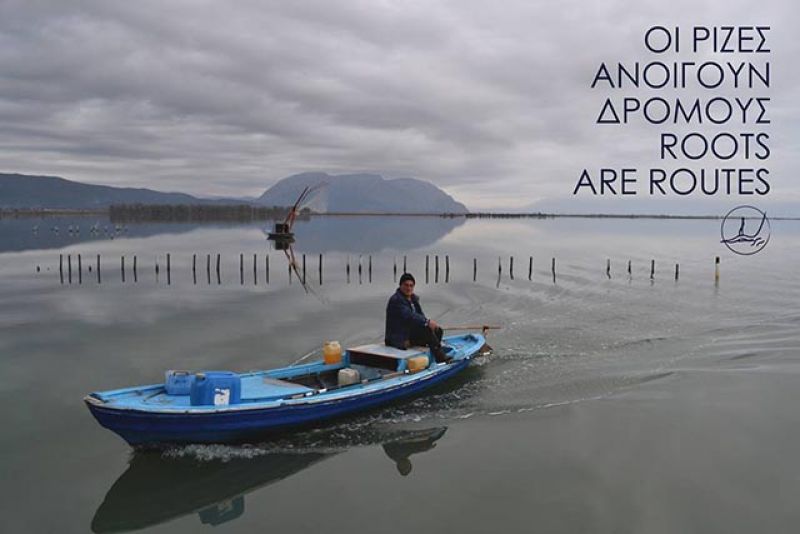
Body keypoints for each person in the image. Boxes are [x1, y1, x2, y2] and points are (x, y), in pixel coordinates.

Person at [385, 273, 450, 363]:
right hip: (398, 337)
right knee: (427, 331)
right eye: (406, 285)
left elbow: (420, 315)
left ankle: (432, 353)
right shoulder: (396, 300)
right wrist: (427, 322)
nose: (409, 288)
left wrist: (429, 324)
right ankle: (441, 358)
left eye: (411, 286)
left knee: (438, 330)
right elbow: (409, 316)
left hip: (409, 332)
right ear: (400, 285)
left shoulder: (413, 299)